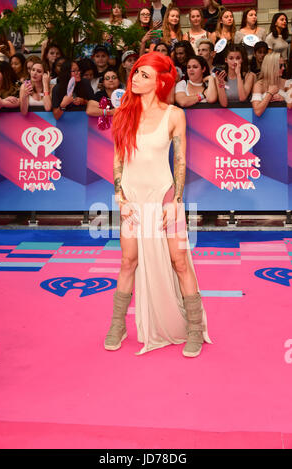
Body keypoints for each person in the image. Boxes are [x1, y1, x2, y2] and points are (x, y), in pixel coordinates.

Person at [106, 52, 211, 357]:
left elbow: (180, 161)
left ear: (160, 81)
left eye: (144, 75)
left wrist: (175, 201)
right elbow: (118, 160)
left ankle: (194, 328)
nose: (136, 78)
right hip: (132, 199)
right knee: (128, 261)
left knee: (179, 262)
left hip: (165, 195)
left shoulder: (175, 114)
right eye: (136, 72)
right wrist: (120, 198)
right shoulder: (123, 113)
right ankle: (117, 324)